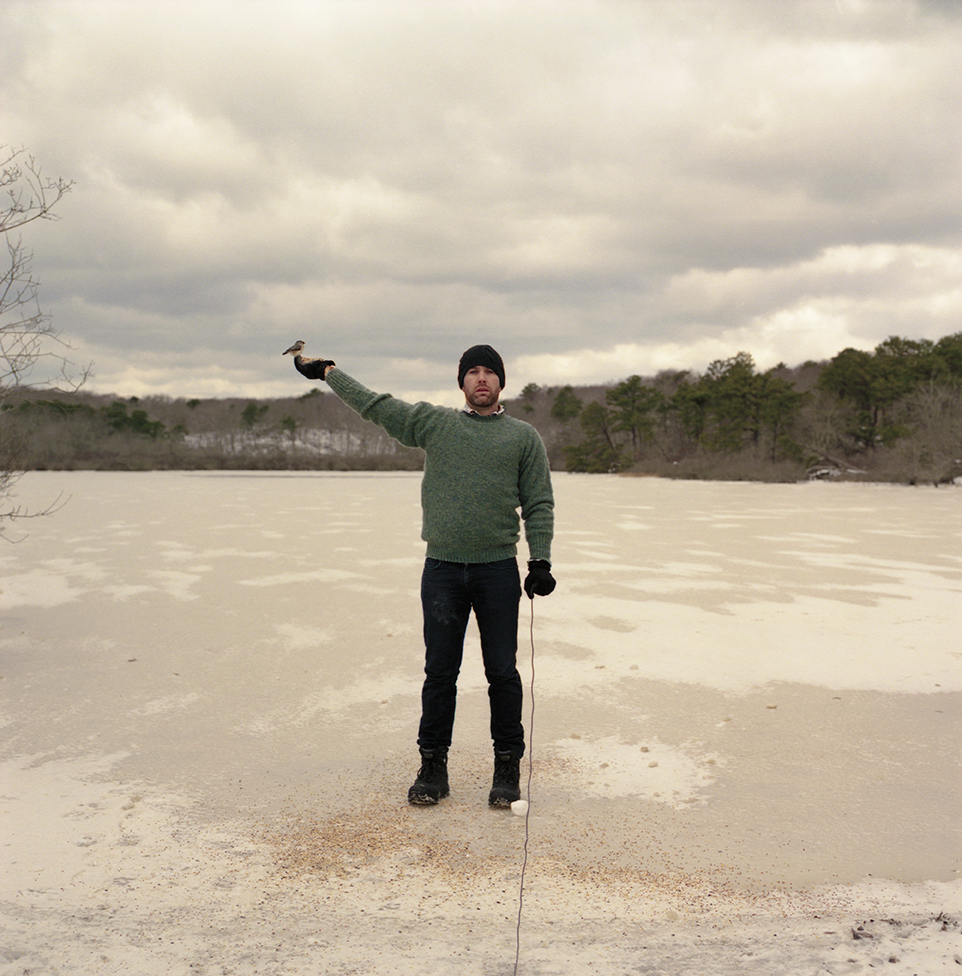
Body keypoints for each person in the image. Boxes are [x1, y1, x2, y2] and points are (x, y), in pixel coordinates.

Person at [286, 343, 555, 808]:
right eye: (472, 372)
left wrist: (540, 562)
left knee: (503, 674)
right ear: (462, 383)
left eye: (489, 371)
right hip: (443, 571)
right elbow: (377, 406)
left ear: (501, 382)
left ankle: (506, 768)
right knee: (439, 673)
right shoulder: (436, 423)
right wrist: (329, 372)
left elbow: (538, 503)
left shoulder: (523, 437)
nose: (481, 379)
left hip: (497, 571)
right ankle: (433, 767)